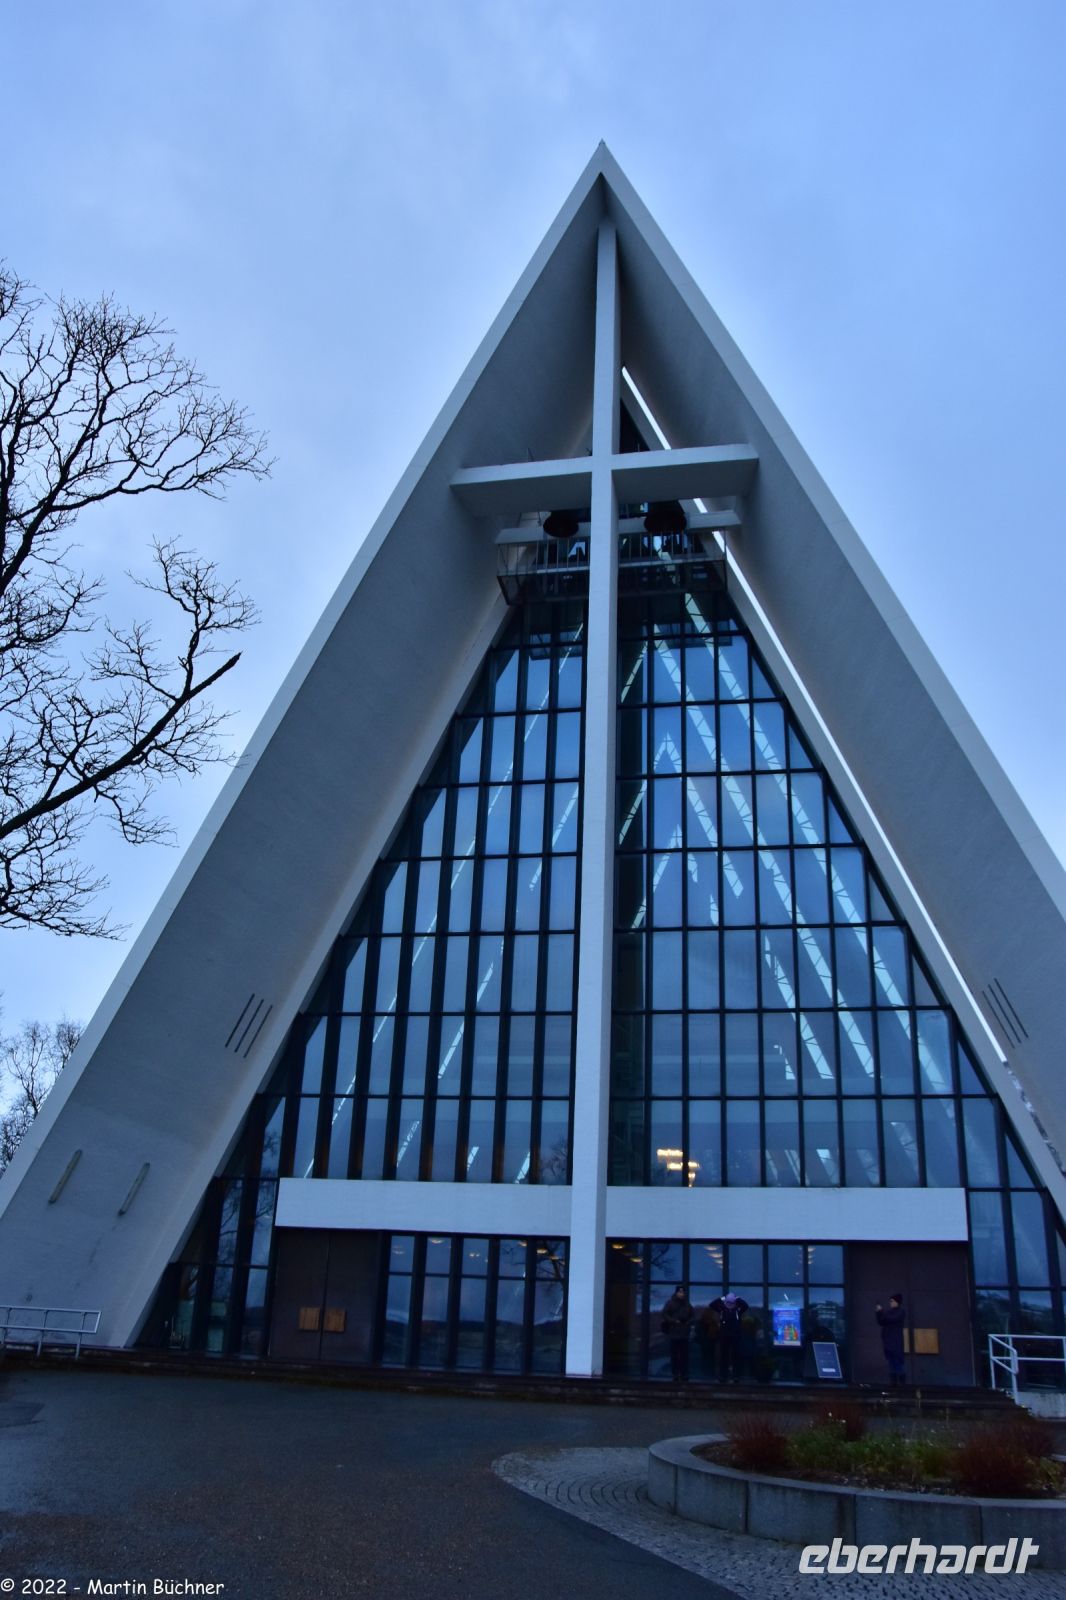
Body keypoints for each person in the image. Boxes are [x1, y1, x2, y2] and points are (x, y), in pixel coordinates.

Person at [709, 1290, 749, 1382]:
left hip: (735, 1336)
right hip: (724, 1336)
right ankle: (723, 1376)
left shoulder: (738, 1310)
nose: (730, 1305)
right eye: (729, 1302)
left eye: (732, 1303)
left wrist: (738, 1298)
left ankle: (736, 1376)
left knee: (736, 1356)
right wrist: (722, 1298)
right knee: (724, 1357)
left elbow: (746, 1306)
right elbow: (712, 1305)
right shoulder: (722, 1309)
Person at [661, 1286, 694, 1380]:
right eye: (680, 1292)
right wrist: (673, 1321)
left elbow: (693, 1316)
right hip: (674, 1333)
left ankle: (684, 1373)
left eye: (683, 1292)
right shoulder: (670, 1303)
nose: (681, 1294)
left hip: (684, 1333)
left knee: (684, 1355)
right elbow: (664, 1314)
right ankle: (675, 1373)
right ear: (676, 1293)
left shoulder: (687, 1304)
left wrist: (688, 1322)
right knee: (674, 1355)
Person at [876, 1293, 907, 1387]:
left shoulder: (901, 1311)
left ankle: (901, 1382)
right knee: (891, 1361)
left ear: (897, 1302)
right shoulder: (888, 1312)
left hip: (896, 1340)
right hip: (888, 1340)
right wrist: (878, 1312)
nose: (890, 1303)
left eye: (892, 1301)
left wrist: (881, 1312)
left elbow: (891, 1319)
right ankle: (893, 1382)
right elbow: (881, 1321)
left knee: (897, 1360)